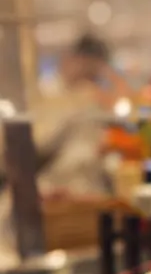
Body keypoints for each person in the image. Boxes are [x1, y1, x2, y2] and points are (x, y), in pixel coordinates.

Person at [0, 33, 112, 260]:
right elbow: (37, 147)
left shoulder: (94, 100)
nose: (89, 76)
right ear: (71, 59)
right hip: (46, 206)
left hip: (83, 208)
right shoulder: (46, 94)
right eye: (87, 68)